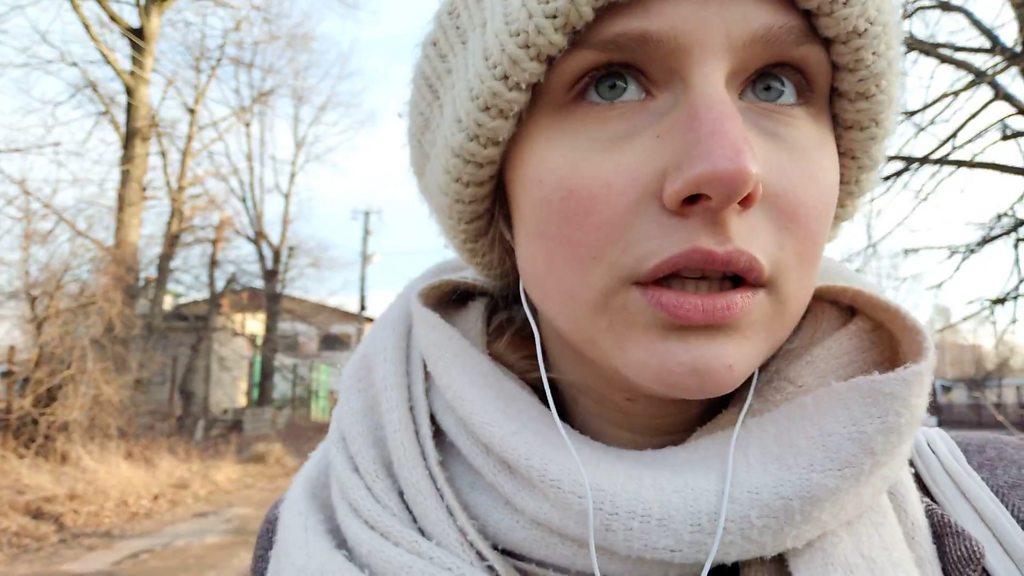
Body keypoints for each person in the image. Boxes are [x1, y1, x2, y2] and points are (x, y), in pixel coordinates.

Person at [252, 0, 1024, 574]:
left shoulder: (994, 512)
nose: (726, 170)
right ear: (497, 191)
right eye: (614, 83)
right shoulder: (334, 532)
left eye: (777, 86)